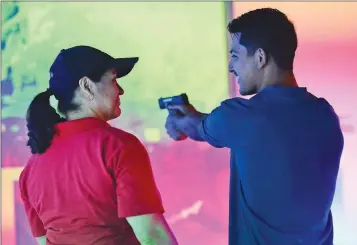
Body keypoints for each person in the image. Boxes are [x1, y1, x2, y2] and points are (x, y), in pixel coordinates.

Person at [165, 8, 343, 245]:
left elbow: (196, 126)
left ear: (260, 58)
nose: (230, 66)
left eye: (236, 56)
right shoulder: (325, 115)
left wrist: (179, 120)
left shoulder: (241, 116)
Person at [19, 46, 178, 245]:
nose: (120, 90)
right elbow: (151, 236)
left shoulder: (31, 169)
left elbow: (43, 242)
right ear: (87, 86)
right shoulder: (118, 146)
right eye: (113, 80)